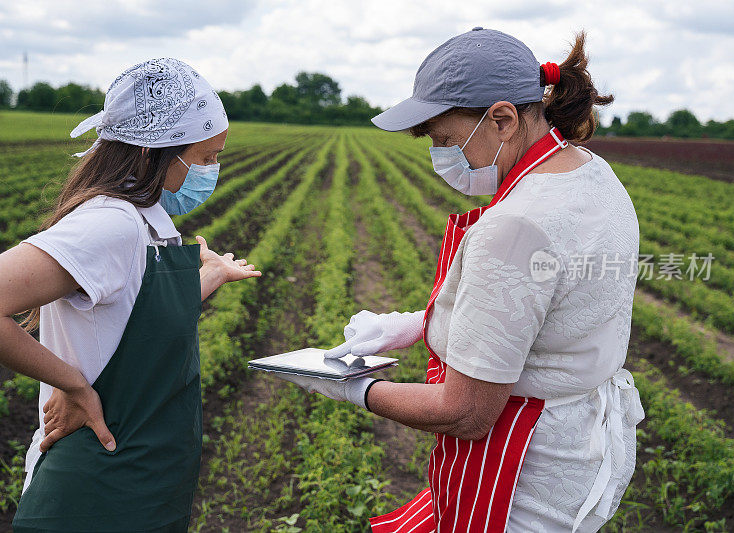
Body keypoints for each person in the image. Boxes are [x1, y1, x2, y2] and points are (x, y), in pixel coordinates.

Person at [272, 29, 645, 532]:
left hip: (519, 475)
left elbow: (466, 411)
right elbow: (548, 309)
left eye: (446, 140)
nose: (441, 157)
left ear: (503, 119)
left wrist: (352, 387)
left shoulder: (516, 227)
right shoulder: (591, 175)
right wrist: (416, 325)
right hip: (582, 448)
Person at [0, 58, 261, 532]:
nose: (212, 170)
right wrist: (73, 385)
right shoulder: (110, 222)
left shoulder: (147, 221)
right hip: (94, 491)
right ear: (149, 152)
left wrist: (211, 276)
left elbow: (134, 322)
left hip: (144, 483)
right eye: (206, 157)